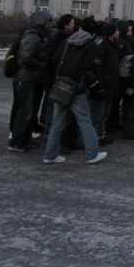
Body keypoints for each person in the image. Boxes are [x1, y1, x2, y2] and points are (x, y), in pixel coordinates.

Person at [43, 26, 107, 165]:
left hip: (62, 84)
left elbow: (56, 59)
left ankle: (50, 154)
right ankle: (92, 153)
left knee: (57, 123)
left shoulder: (67, 41)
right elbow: (86, 66)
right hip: (78, 86)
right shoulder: (91, 45)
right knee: (85, 122)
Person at [9, 11, 52, 152]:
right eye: (48, 22)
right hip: (26, 78)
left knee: (31, 111)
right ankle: (16, 141)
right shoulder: (32, 37)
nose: (49, 25)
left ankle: (25, 139)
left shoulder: (38, 36)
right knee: (25, 111)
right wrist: (41, 65)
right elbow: (26, 57)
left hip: (33, 79)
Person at [91, 22, 120, 145]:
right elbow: (97, 67)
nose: (118, 32)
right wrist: (99, 84)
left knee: (105, 113)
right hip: (103, 84)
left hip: (111, 83)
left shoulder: (113, 45)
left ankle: (102, 134)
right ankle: (95, 137)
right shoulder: (102, 46)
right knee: (98, 114)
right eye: (116, 30)